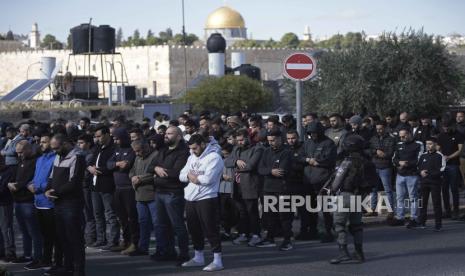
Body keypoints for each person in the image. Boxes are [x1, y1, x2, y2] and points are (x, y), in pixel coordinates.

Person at [328, 135, 376, 264]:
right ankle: (359, 253)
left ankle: (343, 253)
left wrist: (331, 191)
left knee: (339, 224)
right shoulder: (367, 161)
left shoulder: (346, 162)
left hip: (346, 195)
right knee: (356, 226)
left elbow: (336, 182)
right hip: (361, 197)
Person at [179, 134, 224, 271]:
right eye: (190, 148)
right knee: (193, 230)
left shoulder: (214, 157)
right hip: (190, 198)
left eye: (195, 148)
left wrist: (192, 176)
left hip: (207, 198)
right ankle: (198, 257)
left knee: (211, 229)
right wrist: (190, 176)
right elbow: (181, 175)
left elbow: (208, 179)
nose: (192, 151)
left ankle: (217, 261)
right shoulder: (191, 157)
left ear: (203, 144)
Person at [45, 134, 86, 276]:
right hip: (58, 202)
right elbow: (52, 176)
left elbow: (74, 182)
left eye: (56, 148)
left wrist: (55, 191)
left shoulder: (77, 157)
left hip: (71, 203)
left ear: (64, 144)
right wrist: (48, 189)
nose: (54, 151)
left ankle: (79, 269)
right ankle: (67, 267)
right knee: (62, 237)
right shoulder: (58, 156)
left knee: (74, 237)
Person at [149, 126, 190, 264]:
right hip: (159, 192)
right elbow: (150, 166)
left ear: (178, 136)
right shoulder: (163, 150)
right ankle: (168, 251)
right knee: (162, 225)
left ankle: (184, 254)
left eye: (169, 133)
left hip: (173, 193)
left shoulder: (183, 152)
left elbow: (176, 173)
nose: (166, 135)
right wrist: (156, 168)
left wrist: (160, 171)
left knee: (177, 225)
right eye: (165, 133)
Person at [225, 129, 264, 247]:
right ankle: (244, 233)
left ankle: (256, 235)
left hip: (250, 184)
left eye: (242, 140)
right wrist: (236, 161)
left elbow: (250, 165)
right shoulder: (236, 148)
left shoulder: (258, 149)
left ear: (248, 137)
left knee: (252, 211)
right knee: (242, 212)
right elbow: (227, 161)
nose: (240, 142)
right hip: (236, 185)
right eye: (238, 140)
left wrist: (236, 166)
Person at [30, 134, 63, 270]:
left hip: (48, 202)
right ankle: (46, 259)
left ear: (51, 143)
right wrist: (29, 184)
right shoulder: (39, 159)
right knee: (44, 234)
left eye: (44, 142)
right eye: (39, 142)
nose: (40, 144)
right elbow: (35, 177)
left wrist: (37, 187)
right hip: (38, 201)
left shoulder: (55, 158)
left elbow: (52, 180)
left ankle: (56, 261)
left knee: (53, 234)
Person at [257, 130, 294, 250]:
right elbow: (260, 169)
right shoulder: (266, 151)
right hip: (268, 188)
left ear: (279, 139)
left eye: (273, 140)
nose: (271, 143)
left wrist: (269, 170)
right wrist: (271, 171)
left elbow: (282, 171)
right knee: (269, 214)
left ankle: (287, 240)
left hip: (283, 188)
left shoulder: (287, 152)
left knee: (284, 215)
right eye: (269, 141)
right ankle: (270, 238)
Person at [8, 141, 43, 267]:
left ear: (28, 149)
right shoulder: (21, 161)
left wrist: (15, 185)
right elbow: (16, 177)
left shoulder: (35, 161)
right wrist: (10, 183)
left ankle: (38, 256)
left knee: (34, 231)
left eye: (21, 152)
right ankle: (27, 254)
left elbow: (28, 179)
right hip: (18, 201)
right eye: (17, 152)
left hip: (28, 201)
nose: (19, 155)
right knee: (24, 231)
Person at [302, 121, 337, 243]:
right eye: (311, 133)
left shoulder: (329, 143)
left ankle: (328, 232)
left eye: (315, 133)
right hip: (308, 180)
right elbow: (299, 156)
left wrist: (317, 162)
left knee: (325, 209)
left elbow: (330, 160)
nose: (313, 135)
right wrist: (308, 160)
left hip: (323, 180)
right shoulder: (307, 143)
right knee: (309, 207)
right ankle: (313, 231)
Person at [128, 139, 164, 257]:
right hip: (139, 195)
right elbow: (132, 171)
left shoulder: (156, 155)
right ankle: (143, 247)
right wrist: (133, 177)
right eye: (135, 151)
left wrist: (140, 179)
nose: (137, 153)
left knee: (157, 223)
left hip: (152, 194)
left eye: (138, 151)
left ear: (145, 147)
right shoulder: (138, 158)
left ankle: (160, 249)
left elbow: (155, 173)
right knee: (143, 223)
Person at [88, 125, 120, 250]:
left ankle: (113, 240)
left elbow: (112, 166)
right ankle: (101, 239)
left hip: (107, 185)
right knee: (97, 214)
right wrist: (90, 168)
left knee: (110, 214)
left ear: (107, 135)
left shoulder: (113, 148)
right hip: (95, 185)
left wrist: (100, 169)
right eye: (95, 136)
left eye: (99, 136)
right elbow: (90, 161)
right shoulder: (97, 148)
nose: (97, 139)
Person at [107, 128, 138, 254]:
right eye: (114, 138)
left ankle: (134, 242)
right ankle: (125, 241)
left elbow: (126, 166)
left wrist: (117, 164)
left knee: (132, 217)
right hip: (117, 188)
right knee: (122, 218)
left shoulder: (131, 150)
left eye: (117, 138)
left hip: (128, 189)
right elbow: (108, 164)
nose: (115, 141)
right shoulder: (116, 150)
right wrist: (116, 164)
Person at [391, 128, 424, 227]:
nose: (402, 138)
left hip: (412, 175)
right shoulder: (399, 144)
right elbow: (394, 158)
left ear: (409, 134)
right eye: (400, 136)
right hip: (400, 175)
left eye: (404, 136)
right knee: (399, 197)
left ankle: (414, 218)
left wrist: (407, 164)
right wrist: (399, 162)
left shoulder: (418, 144)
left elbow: (420, 159)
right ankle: (400, 217)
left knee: (413, 198)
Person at [437, 119, 464, 219]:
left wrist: (449, 157)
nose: (445, 129)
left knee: (454, 189)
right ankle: (447, 211)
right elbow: (438, 148)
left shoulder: (458, 135)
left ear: (452, 126)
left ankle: (456, 211)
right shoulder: (441, 135)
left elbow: (460, 150)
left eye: (447, 127)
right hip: (443, 166)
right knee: (444, 189)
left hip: (454, 165)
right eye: (444, 127)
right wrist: (440, 155)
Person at [368, 121, 396, 218]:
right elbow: (369, 150)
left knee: (388, 189)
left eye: (381, 128)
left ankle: (391, 210)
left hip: (385, 166)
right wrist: (376, 151)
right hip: (374, 166)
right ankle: (372, 209)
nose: (379, 130)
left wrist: (382, 153)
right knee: (373, 189)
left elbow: (390, 152)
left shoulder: (391, 139)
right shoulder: (373, 138)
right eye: (377, 129)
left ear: (385, 128)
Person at [417, 137, 445, 231]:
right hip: (424, 182)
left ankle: (438, 224)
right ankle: (422, 222)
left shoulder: (440, 155)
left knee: (436, 203)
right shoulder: (423, 155)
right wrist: (420, 172)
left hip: (435, 183)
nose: (428, 146)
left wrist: (429, 173)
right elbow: (418, 167)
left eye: (430, 144)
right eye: (427, 144)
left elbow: (442, 169)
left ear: (435, 144)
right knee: (422, 203)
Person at [76, 134, 96, 247]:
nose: (79, 145)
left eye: (82, 143)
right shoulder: (78, 154)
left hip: (85, 186)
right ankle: (83, 236)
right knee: (81, 213)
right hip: (79, 186)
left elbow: (84, 172)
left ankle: (90, 238)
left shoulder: (90, 155)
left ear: (88, 143)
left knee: (88, 213)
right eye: (78, 143)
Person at [219, 143, 237, 240]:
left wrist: (232, 178)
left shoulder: (235, 161)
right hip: (222, 190)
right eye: (223, 154)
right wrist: (222, 176)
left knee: (234, 212)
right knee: (224, 212)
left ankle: (235, 231)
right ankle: (226, 232)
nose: (224, 156)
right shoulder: (220, 161)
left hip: (232, 189)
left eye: (226, 154)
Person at [0, 155, 15, 263]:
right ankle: (2, 251)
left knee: (6, 228)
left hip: (4, 203)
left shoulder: (8, 171)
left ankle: (10, 252)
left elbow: (3, 188)